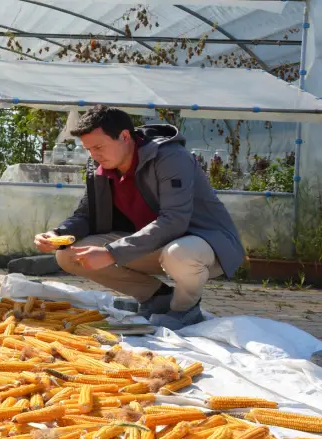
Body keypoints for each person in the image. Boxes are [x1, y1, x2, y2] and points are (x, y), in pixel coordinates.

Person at [34, 105, 245, 329]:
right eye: (89, 149)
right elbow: (86, 214)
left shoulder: (171, 157)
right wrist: (58, 234)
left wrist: (111, 252)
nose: (94, 155)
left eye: (98, 147)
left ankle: (184, 309)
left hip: (205, 245)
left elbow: (174, 220)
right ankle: (157, 298)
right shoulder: (100, 166)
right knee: (68, 255)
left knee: (178, 253)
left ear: (125, 136)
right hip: (154, 244)